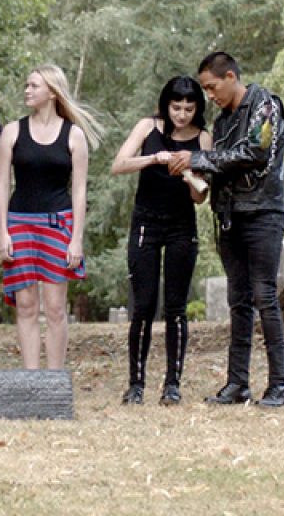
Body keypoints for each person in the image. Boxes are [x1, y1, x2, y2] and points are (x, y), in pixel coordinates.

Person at [166, 51, 284, 407]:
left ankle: (279, 385)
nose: (209, 95)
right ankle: (238, 384)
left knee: (264, 296)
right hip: (229, 217)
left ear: (231, 76)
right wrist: (193, 173)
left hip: (263, 212)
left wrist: (200, 159)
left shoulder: (265, 105)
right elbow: (220, 166)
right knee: (237, 301)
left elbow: (255, 152)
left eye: (212, 87)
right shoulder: (222, 122)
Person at [110, 76, 212, 406]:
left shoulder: (204, 138)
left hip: (182, 225)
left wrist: (191, 175)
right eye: (176, 107)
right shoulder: (147, 127)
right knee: (144, 305)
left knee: (176, 307)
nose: (181, 115)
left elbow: (201, 197)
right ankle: (135, 383)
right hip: (146, 223)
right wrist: (155, 158)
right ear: (166, 105)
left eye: (188, 108)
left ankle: (172, 383)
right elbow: (119, 165)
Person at [0, 65, 103, 370]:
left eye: (33, 86)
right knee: (26, 306)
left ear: (52, 92)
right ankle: (32, 379)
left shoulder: (74, 136)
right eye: (26, 85)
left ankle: (55, 379)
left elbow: (80, 191)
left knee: (55, 308)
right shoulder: (12, 132)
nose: (27, 90)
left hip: (58, 224)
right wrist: (3, 230)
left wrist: (76, 239)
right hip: (19, 223)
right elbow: (2, 184)